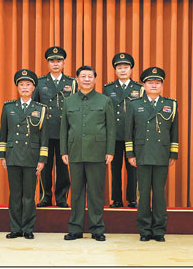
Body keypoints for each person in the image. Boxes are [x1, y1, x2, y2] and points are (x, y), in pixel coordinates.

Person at [60, 65, 115, 242]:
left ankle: (97, 229)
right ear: (77, 79)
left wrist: (110, 151)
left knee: (96, 193)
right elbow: (63, 129)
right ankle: (75, 229)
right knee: (76, 193)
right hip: (75, 152)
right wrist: (64, 151)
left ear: (95, 79)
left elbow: (111, 129)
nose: (86, 79)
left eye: (90, 76)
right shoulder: (69, 101)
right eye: (83, 76)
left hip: (97, 153)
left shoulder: (104, 100)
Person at [125, 67, 178, 242]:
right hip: (142, 153)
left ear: (162, 85)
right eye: (150, 82)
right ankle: (145, 230)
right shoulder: (135, 104)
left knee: (159, 195)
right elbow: (129, 132)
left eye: (157, 82)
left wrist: (173, 153)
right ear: (144, 85)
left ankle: (159, 230)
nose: (154, 85)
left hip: (162, 154)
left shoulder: (171, 104)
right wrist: (130, 153)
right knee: (144, 193)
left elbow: (174, 132)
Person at [0, 69, 49, 240]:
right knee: (15, 195)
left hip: (31, 157)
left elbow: (44, 137)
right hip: (12, 156)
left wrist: (42, 159)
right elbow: (3, 133)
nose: (25, 87)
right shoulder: (8, 107)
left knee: (29, 196)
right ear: (17, 88)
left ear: (34, 88)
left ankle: (27, 228)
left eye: (28, 84)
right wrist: (2, 156)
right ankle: (15, 228)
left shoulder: (41, 109)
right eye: (21, 85)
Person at [33, 46, 76, 208]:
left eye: (59, 61)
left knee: (64, 167)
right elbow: (35, 106)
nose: (56, 64)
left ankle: (62, 198)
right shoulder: (40, 82)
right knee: (44, 165)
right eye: (52, 61)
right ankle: (45, 196)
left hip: (65, 131)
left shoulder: (72, 83)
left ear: (64, 63)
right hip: (45, 130)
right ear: (48, 63)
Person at [103, 52, 143, 208]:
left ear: (131, 69)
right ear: (115, 70)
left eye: (126, 67)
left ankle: (132, 199)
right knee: (115, 168)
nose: (123, 70)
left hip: (132, 135)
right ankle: (117, 199)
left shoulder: (139, 88)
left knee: (132, 167)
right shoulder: (108, 89)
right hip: (115, 134)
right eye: (119, 67)